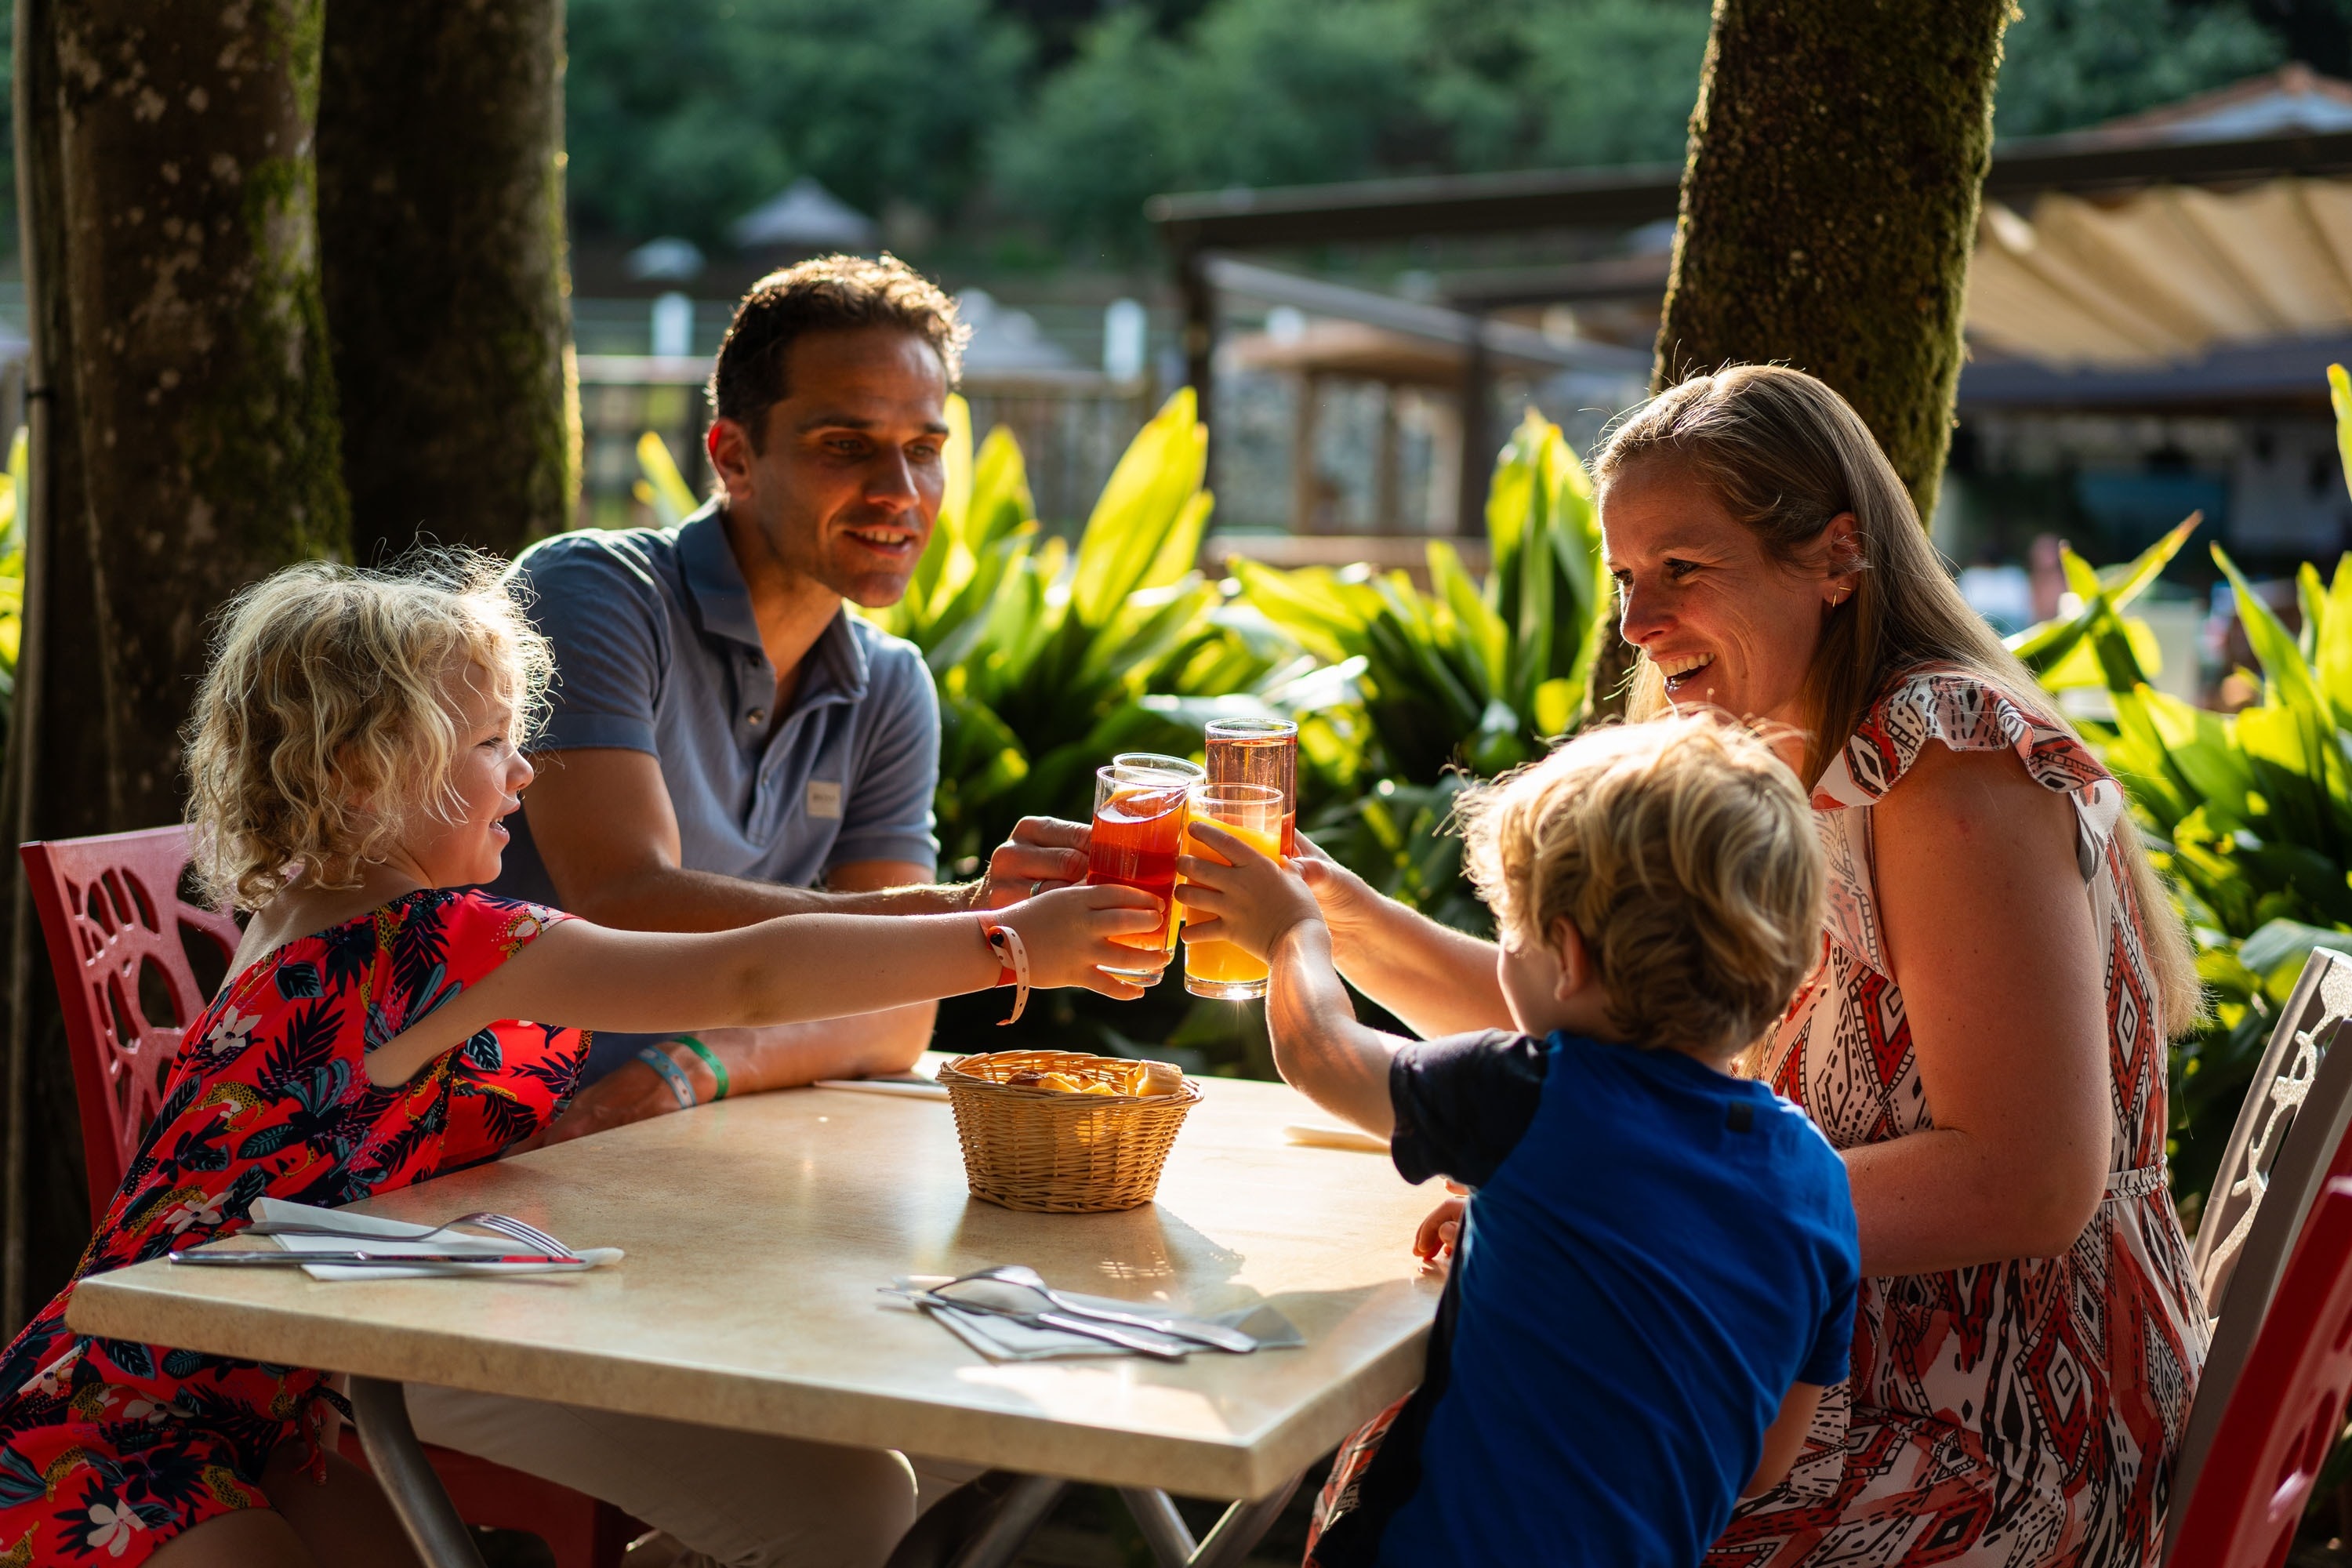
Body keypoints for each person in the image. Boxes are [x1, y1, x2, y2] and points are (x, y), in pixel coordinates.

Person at [1234, 365, 2209, 1565]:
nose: (1638, 624)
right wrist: (1332, 911)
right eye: (1627, 578)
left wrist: (1604, 1196)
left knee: (1499, 1481)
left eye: (1682, 571)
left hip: (1993, 1427)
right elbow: (1602, 1024)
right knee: (1448, 1436)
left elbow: (2030, 1178)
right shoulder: (1757, 764)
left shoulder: (1941, 758)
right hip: (1800, 1354)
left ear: (1837, 557)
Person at [0, 556, 1156, 1568]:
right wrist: (1007, 946)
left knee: (843, 1491)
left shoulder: (306, 908)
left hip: (246, 1395)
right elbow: (750, 976)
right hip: (120, 1431)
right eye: (494, 743)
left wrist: (963, 904)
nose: (526, 772)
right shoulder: (443, 945)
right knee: (846, 1499)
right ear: (361, 776)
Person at [1176, 714, 1860, 1567]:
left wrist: (1294, 935)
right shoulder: (1820, 1184)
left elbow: (1322, 1056)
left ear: (1564, 955)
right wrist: (1538, 1239)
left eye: (1509, 928)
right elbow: (1763, 1459)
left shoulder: (1537, 1092)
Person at [491, 252, 1087, 1143]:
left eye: (924, 450)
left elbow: (895, 1015)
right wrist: (971, 911)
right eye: (845, 446)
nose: (900, 490)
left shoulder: (888, 684)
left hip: (680, 1141)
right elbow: (622, 895)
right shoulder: (592, 589)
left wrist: (698, 1064)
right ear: (734, 455)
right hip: (470, 1135)